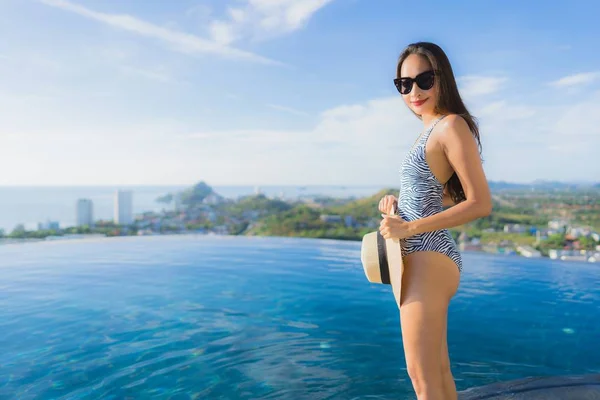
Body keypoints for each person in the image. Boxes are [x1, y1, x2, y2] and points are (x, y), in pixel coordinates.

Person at [378, 42, 492, 400]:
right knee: (437, 374)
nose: (414, 91)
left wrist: (409, 228)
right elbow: (445, 197)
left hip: (427, 254)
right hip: (421, 255)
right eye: (404, 83)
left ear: (443, 79)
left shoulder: (449, 125)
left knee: (422, 379)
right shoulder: (430, 130)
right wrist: (400, 206)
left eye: (424, 80)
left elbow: (479, 203)